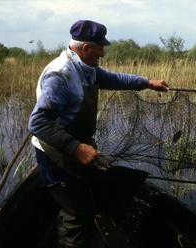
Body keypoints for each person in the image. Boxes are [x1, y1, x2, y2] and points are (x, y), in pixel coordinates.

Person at [28, 19, 169, 248]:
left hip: (78, 144)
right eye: (100, 47)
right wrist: (76, 147)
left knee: (88, 193)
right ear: (86, 48)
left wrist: (147, 82)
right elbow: (38, 123)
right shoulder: (60, 75)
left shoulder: (86, 68)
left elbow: (114, 79)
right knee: (77, 212)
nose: (103, 53)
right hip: (56, 153)